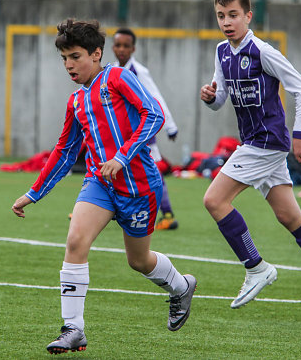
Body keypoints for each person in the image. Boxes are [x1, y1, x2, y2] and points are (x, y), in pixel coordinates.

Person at [11, 18, 196, 354]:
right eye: (64, 58)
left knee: (139, 262)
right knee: (75, 241)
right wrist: (33, 193)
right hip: (99, 182)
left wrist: (122, 158)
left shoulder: (119, 77)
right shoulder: (76, 102)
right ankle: (73, 329)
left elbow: (152, 114)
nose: (69, 64)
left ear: (96, 54)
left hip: (138, 186)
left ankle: (181, 287)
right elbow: (65, 153)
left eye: (76, 56)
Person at [200, 0, 301, 321]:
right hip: (253, 142)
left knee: (214, 200)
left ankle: (256, 268)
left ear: (248, 16)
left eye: (233, 15)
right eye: (221, 16)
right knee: (289, 216)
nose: (227, 22)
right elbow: (222, 97)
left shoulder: (262, 51)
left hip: (266, 142)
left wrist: (299, 135)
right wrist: (212, 98)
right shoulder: (222, 52)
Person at [112, 27, 179, 230]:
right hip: (122, 135)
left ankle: (167, 214)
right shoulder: (112, 70)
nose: (121, 49)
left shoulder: (139, 72)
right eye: (117, 45)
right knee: (115, 169)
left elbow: (156, 99)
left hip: (142, 134)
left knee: (153, 174)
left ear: (133, 49)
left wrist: (170, 126)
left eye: (125, 46)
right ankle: (98, 209)